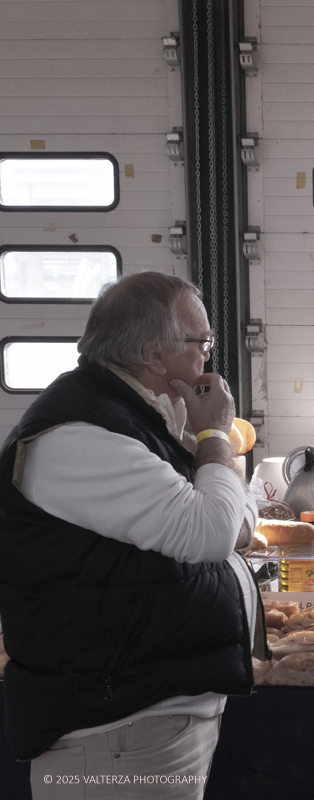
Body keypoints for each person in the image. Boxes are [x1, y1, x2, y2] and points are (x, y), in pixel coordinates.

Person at [0, 272, 263, 799]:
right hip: (115, 728)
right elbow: (214, 531)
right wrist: (214, 435)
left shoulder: (136, 418)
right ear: (154, 354)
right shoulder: (80, 435)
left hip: (146, 715)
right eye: (201, 343)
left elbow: (237, 521)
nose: (208, 358)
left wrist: (204, 444)